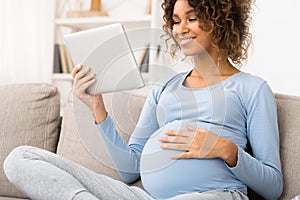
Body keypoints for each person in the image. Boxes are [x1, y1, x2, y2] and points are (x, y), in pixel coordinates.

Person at [3, 0, 283, 199]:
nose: (180, 28)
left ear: (220, 19)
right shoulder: (164, 88)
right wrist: (97, 107)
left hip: (216, 195)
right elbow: (128, 170)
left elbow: (273, 186)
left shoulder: (252, 88)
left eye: (192, 18)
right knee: (19, 158)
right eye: (175, 21)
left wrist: (226, 149)